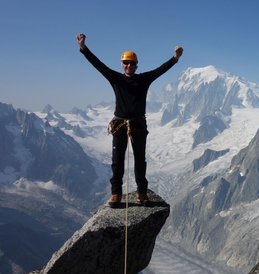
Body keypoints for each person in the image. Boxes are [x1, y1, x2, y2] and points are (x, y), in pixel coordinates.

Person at [76, 33, 183, 207]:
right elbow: (99, 65)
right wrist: (83, 48)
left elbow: (160, 70)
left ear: (136, 65)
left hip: (138, 124)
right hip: (120, 124)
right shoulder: (116, 79)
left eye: (131, 63)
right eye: (126, 63)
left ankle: (142, 193)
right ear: (122, 64)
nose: (128, 66)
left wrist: (175, 58)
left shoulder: (143, 79)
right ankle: (116, 194)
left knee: (140, 160)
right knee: (117, 160)